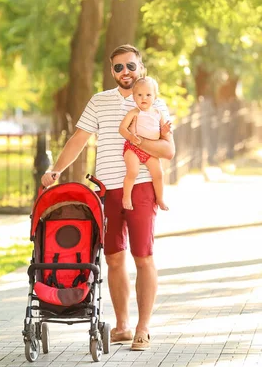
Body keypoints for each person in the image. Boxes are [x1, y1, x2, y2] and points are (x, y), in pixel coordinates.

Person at [40, 44, 175, 351]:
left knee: (143, 256)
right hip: (106, 191)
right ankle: (123, 325)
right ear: (112, 71)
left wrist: (136, 141)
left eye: (130, 65)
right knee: (113, 257)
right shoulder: (99, 102)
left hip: (140, 188)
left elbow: (169, 150)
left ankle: (143, 328)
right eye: (118, 67)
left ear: (140, 66)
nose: (125, 72)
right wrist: (56, 170)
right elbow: (78, 140)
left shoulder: (155, 104)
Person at [119, 76, 169, 211]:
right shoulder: (134, 112)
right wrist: (130, 136)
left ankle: (160, 198)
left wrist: (164, 130)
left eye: (148, 95)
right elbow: (122, 128)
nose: (144, 98)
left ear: (154, 97)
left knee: (158, 174)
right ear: (134, 97)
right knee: (133, 172)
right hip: (133, 148)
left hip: (150, 150)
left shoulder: (158, 113)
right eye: (139, 95)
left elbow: (163, 133)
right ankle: (126, 196)